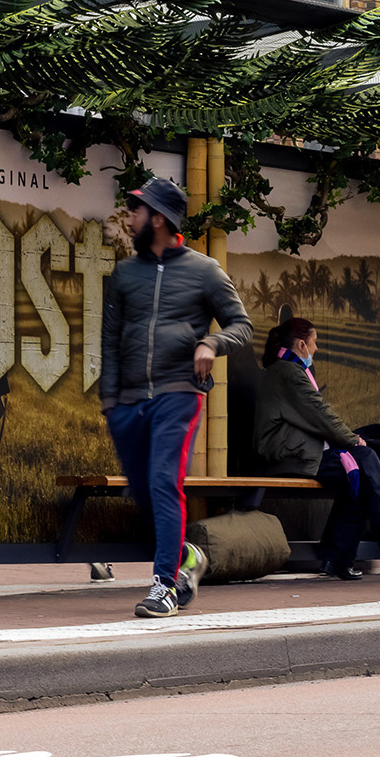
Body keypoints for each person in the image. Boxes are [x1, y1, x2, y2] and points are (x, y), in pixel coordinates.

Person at [101, 178, 253, 619]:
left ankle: (164, 586)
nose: (130, 218)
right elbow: (110, 340)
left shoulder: (205, 270)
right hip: (128, 402)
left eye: (137, 210)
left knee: (163, 482)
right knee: (144, 492)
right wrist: (110, 401)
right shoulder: (125, 274)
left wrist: (212, 343)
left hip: (178, 394)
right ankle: (186, 555)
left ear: (158, 219)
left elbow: (241, 325)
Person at [255, 318, 380, 580]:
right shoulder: (289, 372)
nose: (316, 349)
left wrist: (350, 440)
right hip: (288, 456)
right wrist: (352, 440)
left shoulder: (286, 370)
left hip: (297, 451)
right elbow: (320, 413)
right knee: (364, 461)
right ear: (301, 344)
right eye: (314, 343)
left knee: (358, 477)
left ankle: (336, 559)